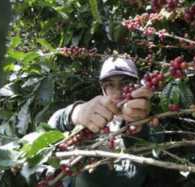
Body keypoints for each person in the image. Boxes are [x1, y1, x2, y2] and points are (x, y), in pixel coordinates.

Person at [48, 55, 154, 187]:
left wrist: (139, 129)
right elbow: (50, 129)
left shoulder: (150, 123)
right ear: (102, 88)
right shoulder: (92, 115)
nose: (117, 92)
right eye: (110, 85)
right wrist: (74, 113)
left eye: (125, 83)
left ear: (137, 85)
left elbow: (152, 169)